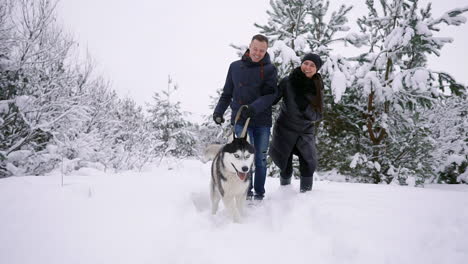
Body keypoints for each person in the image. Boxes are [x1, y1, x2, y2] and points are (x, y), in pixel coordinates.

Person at [213, 34, 278, 200]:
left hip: (262, 121)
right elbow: (227, 93)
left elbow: (270, 95)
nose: (257, 53)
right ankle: (245, 192)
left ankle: (259, 193)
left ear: (266, 51)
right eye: (255, 49)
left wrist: (254, 108)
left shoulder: (270, 69)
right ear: (249, 46)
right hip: (241, 120)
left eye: (262, 51)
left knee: (260, 159)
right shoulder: (235, 67)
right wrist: (219, 111)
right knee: (243, 158)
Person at [269, 53, 324, 192]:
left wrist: (305, 107)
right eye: (306, 63)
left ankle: (306, 196)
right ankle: (284, 193)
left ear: (316, 69)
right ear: (301, 63)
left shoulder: (317, 86)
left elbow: (318, 115)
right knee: (284, 164)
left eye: (312, 65)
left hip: (305, 130)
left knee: (308, 162)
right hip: (284, 128)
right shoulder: (288, 81)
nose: (308, 67)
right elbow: (273, 99)